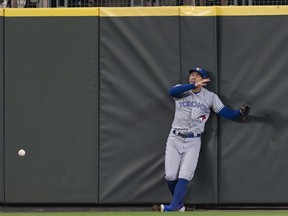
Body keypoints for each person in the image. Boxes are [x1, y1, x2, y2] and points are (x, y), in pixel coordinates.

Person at [152, 67, 250, 212]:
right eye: (192, 74)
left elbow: (226, 114)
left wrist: (239, 113)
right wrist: (193, 86)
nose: (193, 77)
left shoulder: (210, 97)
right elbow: (171, 92)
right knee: (171, 175)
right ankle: (178, 205)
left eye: (197, 75)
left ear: (204, 80)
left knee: (185, 174)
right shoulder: (181, 90)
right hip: (175, 138)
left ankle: (172, 207)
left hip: (193, 141)